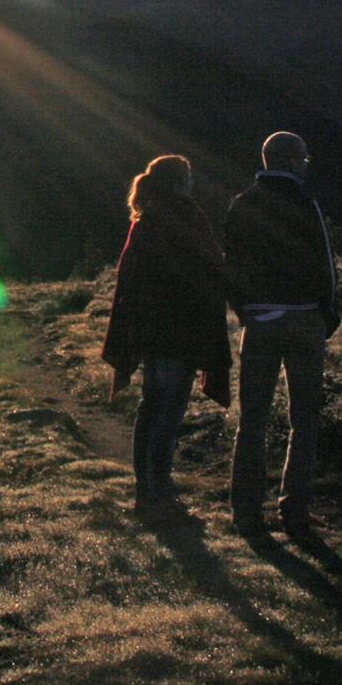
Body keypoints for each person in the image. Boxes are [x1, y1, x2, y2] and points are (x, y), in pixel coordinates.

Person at [222, 131, 339, 538]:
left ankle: (247, 512)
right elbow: (325, 265)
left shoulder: (243, 204)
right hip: (304, 319)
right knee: (303, 419)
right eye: (303, 159)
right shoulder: (306, 204)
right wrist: (327, 314)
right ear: (290, 161)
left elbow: (230, 265)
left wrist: (247, 311)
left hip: (261, 322)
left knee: (252, 419)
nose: (306, 165)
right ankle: (295, 512)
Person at [101, 154, 232, 515]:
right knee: (168, 412)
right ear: (179, 182)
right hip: (182, 333)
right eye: (188, 178)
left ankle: (148, 490)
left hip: (153, 334)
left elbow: (129, 280)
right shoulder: (187, 218)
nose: (192, 184)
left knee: (152, 408)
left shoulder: (144, 223)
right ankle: (159, 491)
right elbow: (210, 270)